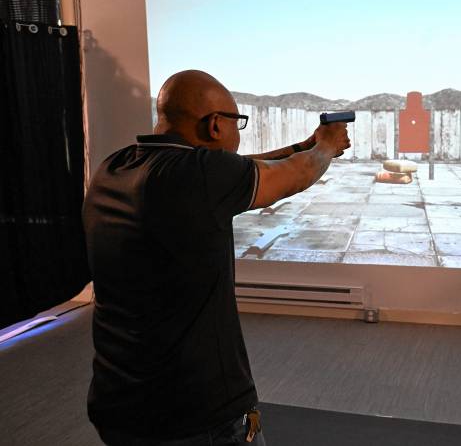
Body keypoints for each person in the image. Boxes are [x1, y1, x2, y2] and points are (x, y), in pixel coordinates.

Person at [82, 70, 350, 445]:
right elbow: (290, 177)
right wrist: (325, 147)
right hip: (194, 412)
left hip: (119, 397)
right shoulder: (200, 176)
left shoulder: (117, 166)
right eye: (237, 122)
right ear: (214, 125)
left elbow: (243, 167)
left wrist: (299, 146)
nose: (239, 134)